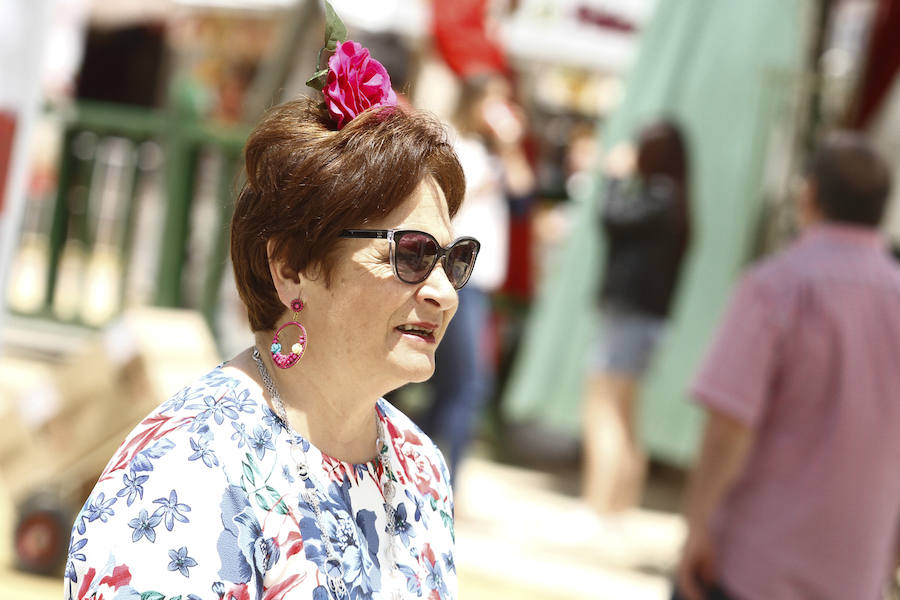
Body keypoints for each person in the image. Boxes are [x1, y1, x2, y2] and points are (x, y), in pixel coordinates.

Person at [64, 35, 479, 600]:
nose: (443, 294)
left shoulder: (419, 466)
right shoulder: (189, 470)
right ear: (291, 268)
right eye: (410, 254)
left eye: (453, 260)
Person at [674, 131, 900, 600]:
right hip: (855, 569)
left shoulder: (778, 285)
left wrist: (697, 524)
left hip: (753, 561)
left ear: (810, 193)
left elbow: (728, 426)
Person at [419, 74, 534, 483]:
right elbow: (440, 208)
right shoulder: (453, 146)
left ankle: (431, 474)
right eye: (493, 101)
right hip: (456, 278)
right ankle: (441, 478)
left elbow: (525, 196)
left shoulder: (494, 152)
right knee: (465, 383)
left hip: (482, 283)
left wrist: (510, 146)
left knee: (457, 384)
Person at [582, 120, 691, 513]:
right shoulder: (677, 200)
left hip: (629, 316)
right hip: (647, 321)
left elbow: (612, 219)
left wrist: (613, 178)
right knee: (626, 414)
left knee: (603, 408)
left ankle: (598, 507)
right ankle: (618, 508)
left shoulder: (658, 198)